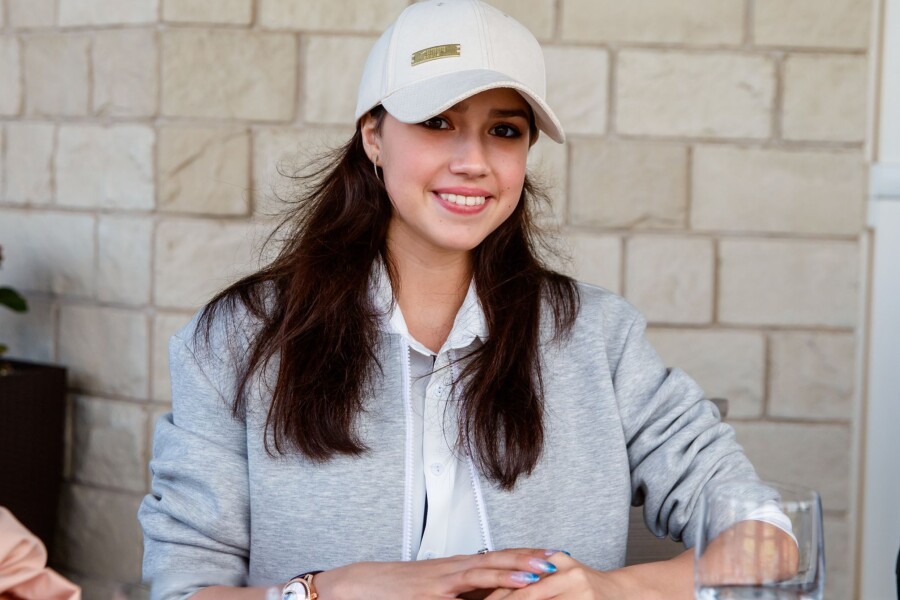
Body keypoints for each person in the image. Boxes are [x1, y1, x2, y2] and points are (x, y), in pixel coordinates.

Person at [138, 1, 796, 598]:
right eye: (436, 121)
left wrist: (610, 591)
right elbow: (183, 590)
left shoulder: (599, 338)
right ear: (373, 135)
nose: (473, 160)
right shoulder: (238, 338)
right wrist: (327, 591)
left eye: (504, 130)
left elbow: (769, 536)